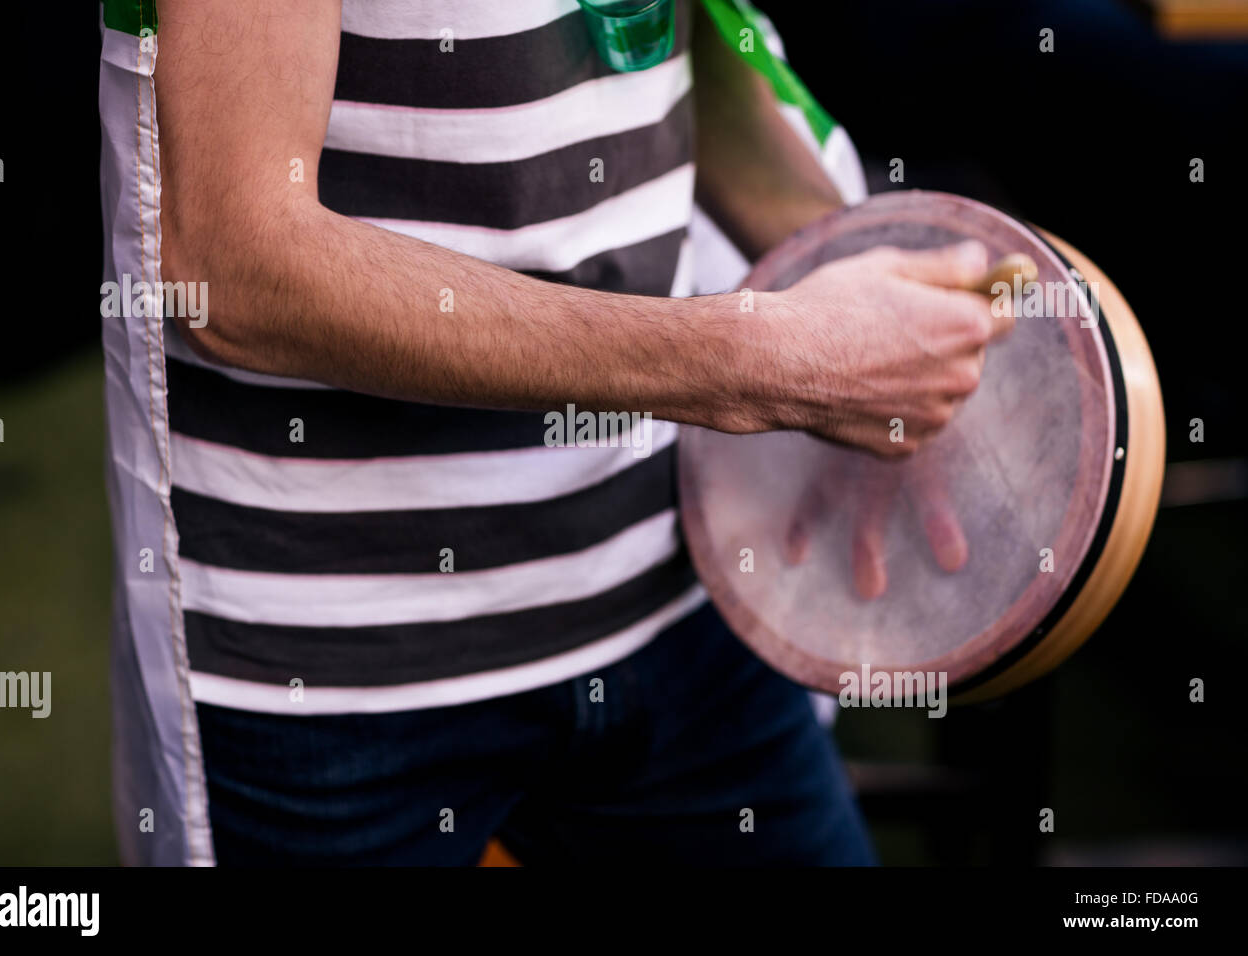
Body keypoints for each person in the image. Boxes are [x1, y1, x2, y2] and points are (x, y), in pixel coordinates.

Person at [99, 0, 1001, 865]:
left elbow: (666, 56)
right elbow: (235, 265)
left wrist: (871, 338)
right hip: (334, 665)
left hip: (669, 592)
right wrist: (765, 361)